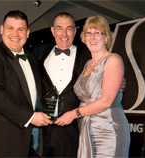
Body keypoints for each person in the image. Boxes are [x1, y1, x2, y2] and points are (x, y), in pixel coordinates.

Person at [0, 10, 52, 157]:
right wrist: (31, 117)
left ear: (27, 33)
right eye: (10, 28)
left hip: (26, 140)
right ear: (2, 29)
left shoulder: (32, 59)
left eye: (20, 29)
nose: (15, 34)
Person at [55, 15, 131, 157]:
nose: (92, 37)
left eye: (97, 33)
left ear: (106, 37)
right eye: (89, 33)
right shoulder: (87, 64)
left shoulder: (113, 59)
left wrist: (73, 114)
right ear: (84, 37)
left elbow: (106, 101)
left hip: (108, 129)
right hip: (87, 128)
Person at [34, 12, 91, 157]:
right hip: (41, 131)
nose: (64, 34)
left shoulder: (87, 55)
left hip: (72, 132)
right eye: (59, 28)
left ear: (75, 31)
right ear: (52, 31)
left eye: (69, 28)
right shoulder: (39, 52)